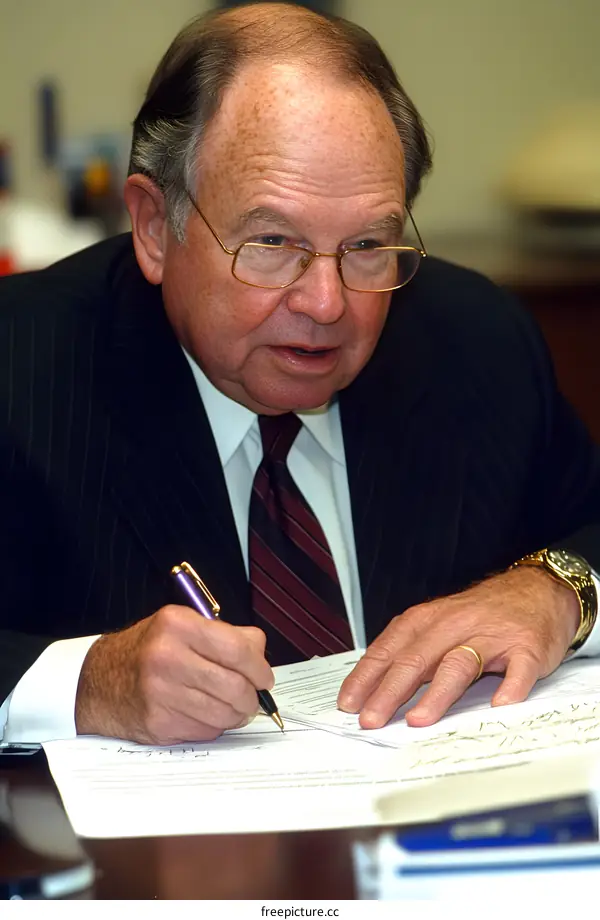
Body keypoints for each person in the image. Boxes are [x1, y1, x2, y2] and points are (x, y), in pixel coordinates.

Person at [1, 2, 600, 746]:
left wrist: (556, 592)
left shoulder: (476, 341)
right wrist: (91, 682)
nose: (327, 302)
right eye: (274, 241)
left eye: (369, 245)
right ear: (156, 227)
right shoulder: (21, 366)